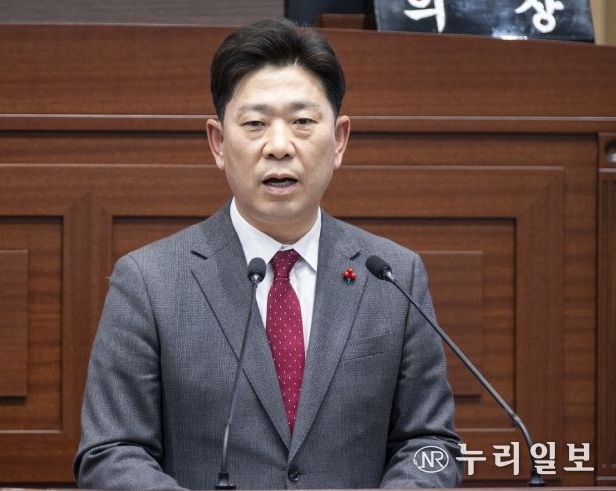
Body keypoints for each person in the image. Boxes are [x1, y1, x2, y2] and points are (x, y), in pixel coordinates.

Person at [74, 18, 463, 490]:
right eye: (255, 124)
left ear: (339, 140)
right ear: (219, 142)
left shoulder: (394, 275)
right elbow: (112, 452)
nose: (279, 147)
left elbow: (431, 445)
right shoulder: (149, 281)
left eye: (303, 122)